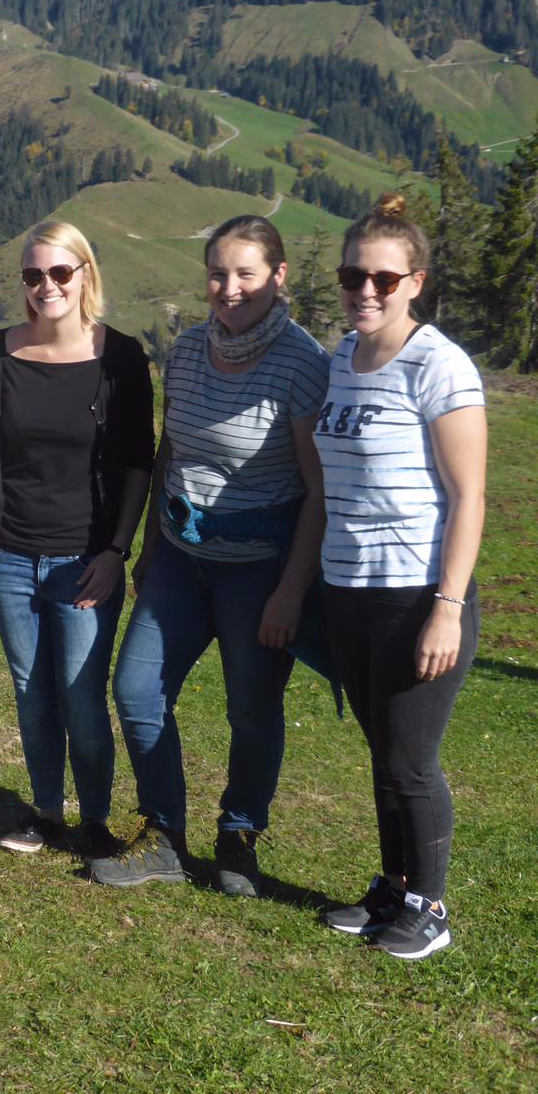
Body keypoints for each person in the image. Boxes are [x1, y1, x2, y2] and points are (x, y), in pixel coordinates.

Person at [92, 215, 329, 894]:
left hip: (260, 565)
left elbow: (318, 491)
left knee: (251, 709)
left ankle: (239, 833)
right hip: (180, 556)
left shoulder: (303, 365)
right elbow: (172, 449)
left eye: (246, 273)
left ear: (277, 277)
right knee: (136, 690)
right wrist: (148, 546)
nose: (229, 288)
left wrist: (290, 590)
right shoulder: (190, 350)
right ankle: (163, 832)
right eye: (218, 273)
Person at [315, 193, 485, 959]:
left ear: (416, 281)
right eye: (355, 276)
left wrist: (447, 606)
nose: (367, 291)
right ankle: (393, 887)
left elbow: (469, 495)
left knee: (412, 759)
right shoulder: (339, 362)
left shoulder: (439, 366)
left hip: (418, 592)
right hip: (347, 589)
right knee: (382, 750)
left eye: (385, 279)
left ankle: (432, 907)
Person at [0, 221, 153, 858]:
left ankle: (96, 819)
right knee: (31, 690)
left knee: (82, 694)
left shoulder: (120, 356)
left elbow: (137, 459)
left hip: (85, 558)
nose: (46, 286)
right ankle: (48, 811)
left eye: (59, 273)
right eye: (33, 275)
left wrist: (116, 550)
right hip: (9, 553)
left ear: (85, 275)